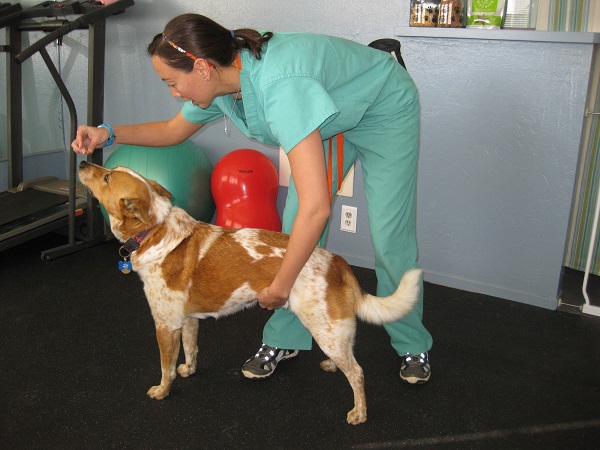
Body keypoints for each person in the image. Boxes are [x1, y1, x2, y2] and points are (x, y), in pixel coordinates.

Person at [72, 13, 433, 384]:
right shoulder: (221, 82)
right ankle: (286, 337)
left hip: (384, 107)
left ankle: (411, 343)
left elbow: (317, 207)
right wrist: (108, 134)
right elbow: (172, 130)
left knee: (390, 236)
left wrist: (279, 288)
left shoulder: (281, 88)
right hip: (329, 114)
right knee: (292, 235)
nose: (174, 93)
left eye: (172, 83)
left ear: (201, 67)